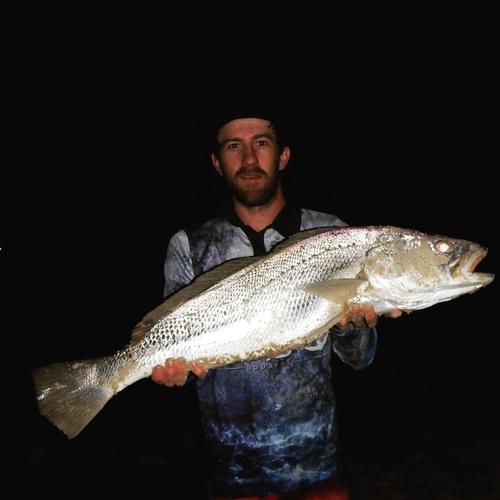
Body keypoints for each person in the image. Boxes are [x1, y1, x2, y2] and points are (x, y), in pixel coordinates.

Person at [134, 107, 401, 499]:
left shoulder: (333, 235)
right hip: (230, 475)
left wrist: (352, 327)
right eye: (233, 146)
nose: (248, 159)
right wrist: (174, 371)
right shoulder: (189, 244)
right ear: (217, 162)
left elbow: (360, 359)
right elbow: (178, 350)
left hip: (316, 470)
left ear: (283, 155)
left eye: (261, 143)